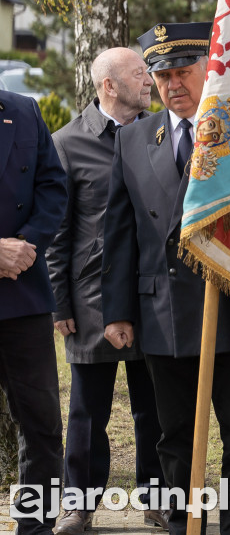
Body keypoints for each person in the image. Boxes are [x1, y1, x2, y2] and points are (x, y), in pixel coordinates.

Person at [102, 23, 230, 535]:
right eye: (163, 75)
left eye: (184, 72)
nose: (174, 84)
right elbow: (119, 233)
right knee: (172, 435)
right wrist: (118, 312)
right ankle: (181, 524)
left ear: (207, 71)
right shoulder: (132, 140)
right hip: (163, 315)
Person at [47, 48, 168, 534]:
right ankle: (78, 505)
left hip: (150, 294)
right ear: (109, 86)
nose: (150, 79)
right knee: (86, 412)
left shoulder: (160, 132)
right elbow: (58, 231)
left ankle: (160, 498)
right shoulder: (68, 143)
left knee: (154, 408)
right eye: (140, 73)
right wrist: (59, 301)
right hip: (90, 299)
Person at [0, 87, 67, 534]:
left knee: (41, 422)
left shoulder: (23, 109)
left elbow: (52, 186)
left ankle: (36, 527)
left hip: (23, 296)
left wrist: (26, 246)